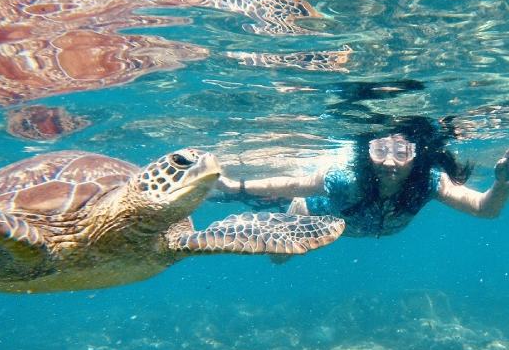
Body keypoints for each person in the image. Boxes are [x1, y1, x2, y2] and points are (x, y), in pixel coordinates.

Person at [216, 117, 509, 240]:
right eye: (380, 150)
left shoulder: (430, 183)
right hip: (311, 217)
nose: (390, 162)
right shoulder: (345, 178)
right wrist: (236, 185)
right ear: (367, 152)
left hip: (350, 229)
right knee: (279, 258)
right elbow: (294, 184)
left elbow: (486, 209)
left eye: (401, 152)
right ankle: (228, 196)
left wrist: (503, 182)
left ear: (416, 154)